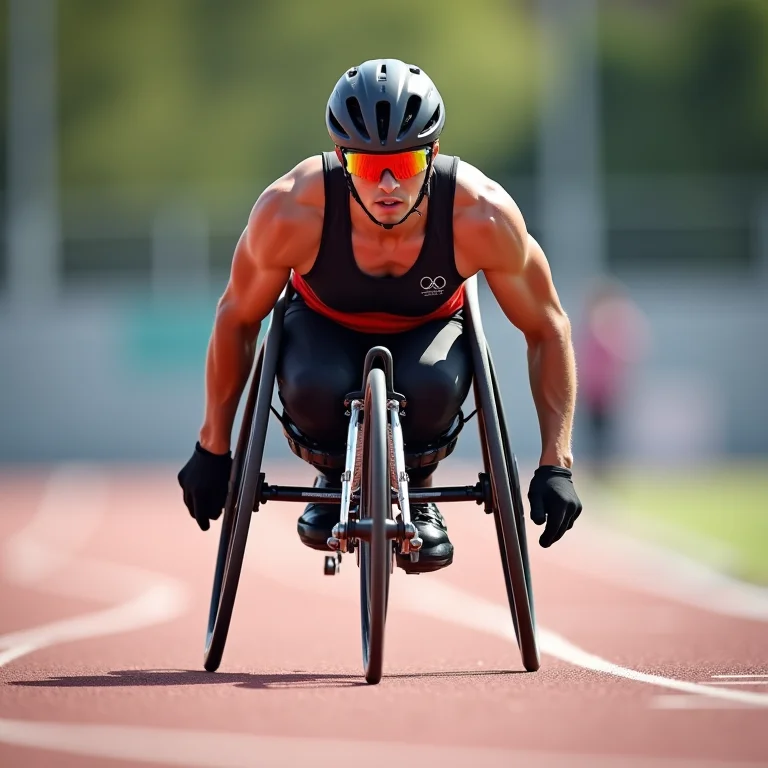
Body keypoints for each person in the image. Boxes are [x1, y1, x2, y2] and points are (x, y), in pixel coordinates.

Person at [178, 58, 583, 573]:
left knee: (431, 387)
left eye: (407, 163)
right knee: (313, 384)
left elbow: (547, 326)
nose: (388, 184)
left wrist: (556, 463)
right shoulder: (290, 212)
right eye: (368, 167)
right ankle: (334, 479)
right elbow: (237, 317)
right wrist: (213, 447)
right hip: (322, 329)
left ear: (433, 154)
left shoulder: (481, 215)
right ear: (341, 158)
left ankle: (420, 488)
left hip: (429, 332)